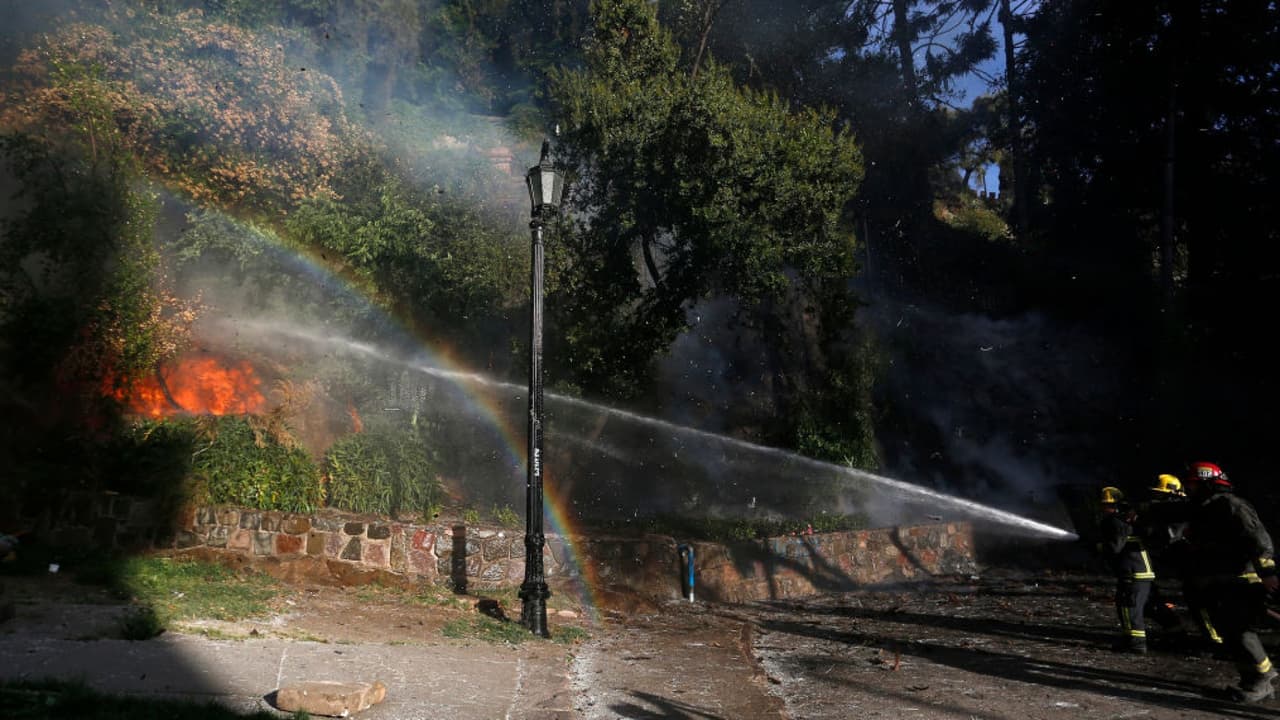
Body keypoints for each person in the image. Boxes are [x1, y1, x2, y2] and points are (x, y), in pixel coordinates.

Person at [1184, 461, 1278, 703]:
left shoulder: (1232, 505)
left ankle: (1262, 678)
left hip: (1241, 579)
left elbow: (1259, 539)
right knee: (1230, 632)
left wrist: (1267, 572)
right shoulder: (1206, 508)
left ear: (1206, 483)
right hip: (1222, 580)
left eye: (1193, 484)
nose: (1188, 488)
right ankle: (1251, 679)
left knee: (1240, 630)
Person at [1136, 474, 1224, 653]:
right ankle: (1177, 634)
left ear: (1173, 495)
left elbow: (1169, 538)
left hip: (1193, 567)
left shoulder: (1183, 512)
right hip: (1174, 565)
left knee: (1200, 604)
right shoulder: (1167, 513)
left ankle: (1216, 643)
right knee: (1149, 600)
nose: (1156, 499)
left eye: (1160, 495)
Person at [1097, 485, 1154, 654]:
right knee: (1128, 607)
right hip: (1137, 570)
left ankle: (1136, 644)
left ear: (1114, 505)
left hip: (1134, 571)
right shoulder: (1126, 519)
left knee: (1130, 608)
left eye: (1106, 505)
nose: (1103, 508)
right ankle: (1174, 633)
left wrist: (1097, 546)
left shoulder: (1117, 521)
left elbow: (1115, 547)